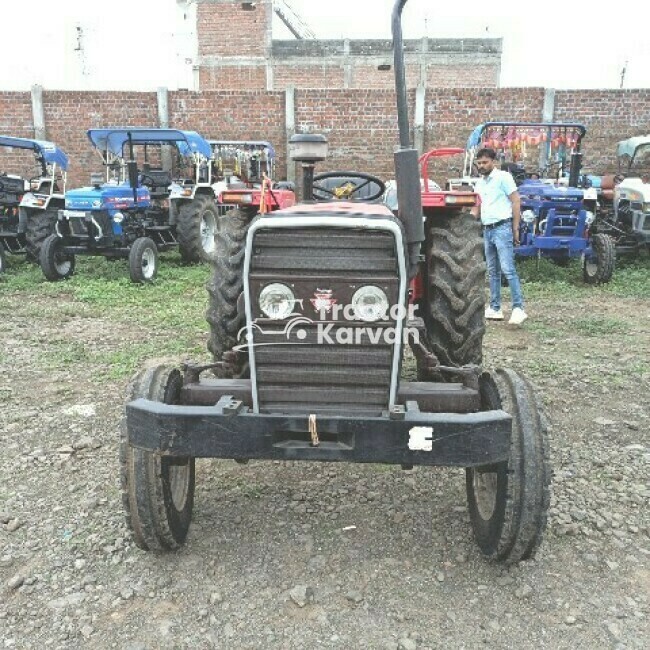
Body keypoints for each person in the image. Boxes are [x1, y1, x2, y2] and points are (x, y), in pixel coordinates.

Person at [471, 147, 528, 325]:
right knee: (492, 271)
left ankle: (518, 308)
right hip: (487, 229)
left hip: (502, 227)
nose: (481, 166)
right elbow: (476, 208)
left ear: (493, 162)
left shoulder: (503, 177)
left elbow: (516, 200)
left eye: (485, 162)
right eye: (479, 163)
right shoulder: (479, 183)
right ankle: (495, 307)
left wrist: (515, 228)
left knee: (507, 269)